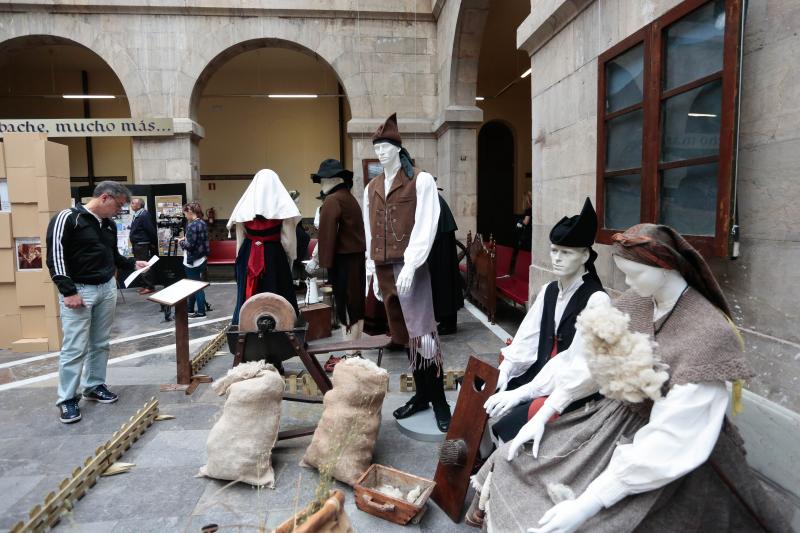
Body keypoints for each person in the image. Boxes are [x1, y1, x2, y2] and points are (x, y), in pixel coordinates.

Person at [470, 223, 790, 532]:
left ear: (665, 267)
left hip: (673, 451)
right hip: (613, 421)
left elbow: (670, 439)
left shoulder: (708, 334)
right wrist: (546, 412)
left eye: (633, 274)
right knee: (523, 460)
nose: (626, 281)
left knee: (595, 520)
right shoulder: (637, 301)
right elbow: (589, 363)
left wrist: (587, 504)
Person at [484, 198, 608, 444]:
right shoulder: (548, 290)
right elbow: (527, 340)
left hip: (569, 389)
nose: (557, 258)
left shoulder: (597, 301)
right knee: (482, 400)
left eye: (566, 253)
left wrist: (520, 394)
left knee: (505, 427)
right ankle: (481, 462)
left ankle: (500, 470)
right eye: (554, 251)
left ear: (584, 255)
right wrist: (505, 371)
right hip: (538, 374)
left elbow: (580, 369)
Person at [363, 113, 451, 432]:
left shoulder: (420, 181)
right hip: (385, 271)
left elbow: (426, 225)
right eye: (377, 147)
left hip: (410, 268)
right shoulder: (372, 187)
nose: (381, 152)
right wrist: (371, 271)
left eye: (386, 146)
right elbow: (369, 231)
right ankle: (422, 394)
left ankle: (438, 398)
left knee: (424, 335)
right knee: (405, 337)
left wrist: (412, 264)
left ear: (398, 149)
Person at [46, 181, 149, 424]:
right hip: (80, 290)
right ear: (105, 198)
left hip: (106, 287)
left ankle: (93, 385)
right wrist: (68, 291)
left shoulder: (109, 225)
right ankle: (67, 398)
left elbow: (111, 256)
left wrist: (133, 264)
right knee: (75, 346)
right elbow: (55, 256)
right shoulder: (68, 218)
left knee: (100, 342)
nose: (120, 211)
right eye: (119, 205)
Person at [306, 159, 366, 371]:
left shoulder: (333, 200)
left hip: (343, 261)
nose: (321, 184)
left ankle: (350, 353)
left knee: (346, 306)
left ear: (333, 180)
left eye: (323, 180)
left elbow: (327, 234)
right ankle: (355, 350)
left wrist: (322, 262)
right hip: (356, 258)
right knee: (356, 304)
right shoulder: (349, 198)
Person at [228, 169, 301, 325]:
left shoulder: (244, 206)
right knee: (277, 289)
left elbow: (240, 238)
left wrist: (240, 261)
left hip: (248, 253)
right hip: (273, 254)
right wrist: (289, 258)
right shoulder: (283, 206)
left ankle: (245, 326)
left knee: (247, 292)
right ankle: (281, 326)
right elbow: (288, 240)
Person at [426, 190, 463, 336]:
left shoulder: (434, 201)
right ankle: (446, 321)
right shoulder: (436, 199)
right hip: (442, 248)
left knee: (444, 285)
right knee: (445, 285)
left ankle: (448, 324)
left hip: (442, 251)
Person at [178, 201, 210, 319]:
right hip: (202, 258)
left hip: (192, 260)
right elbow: (199, 240)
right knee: (193, 284)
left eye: (185, 213)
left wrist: (181, 241)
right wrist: (186, 238)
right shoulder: (202, 223)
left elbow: (190, 246)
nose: (185, 215)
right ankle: (190, 309)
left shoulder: (191, 225)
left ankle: (201, 312)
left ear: (190, 212)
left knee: (196, 287)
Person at [128, 197, 158, 295]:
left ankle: (149, 286)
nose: (131, 205)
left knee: (144, 266)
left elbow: (150, 230)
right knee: (140, 265)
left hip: (142, 245)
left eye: (133, 203)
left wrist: (153, 243)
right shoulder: (138, 214)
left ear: (139, 205)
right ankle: (144, 285)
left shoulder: (144, 215)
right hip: (137, 245)